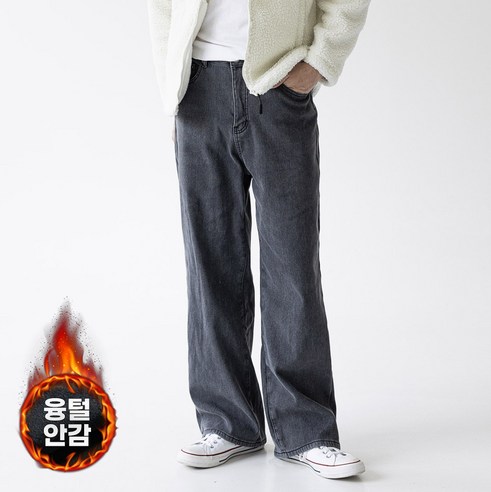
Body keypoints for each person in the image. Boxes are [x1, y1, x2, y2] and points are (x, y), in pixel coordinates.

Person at [147, 0, 371, 480]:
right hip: (197, 90)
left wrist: (318, 63)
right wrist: (173, 89)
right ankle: (227, 424)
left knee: (292, 265)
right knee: (210, 264)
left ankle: (307, 430)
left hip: (278, 85)